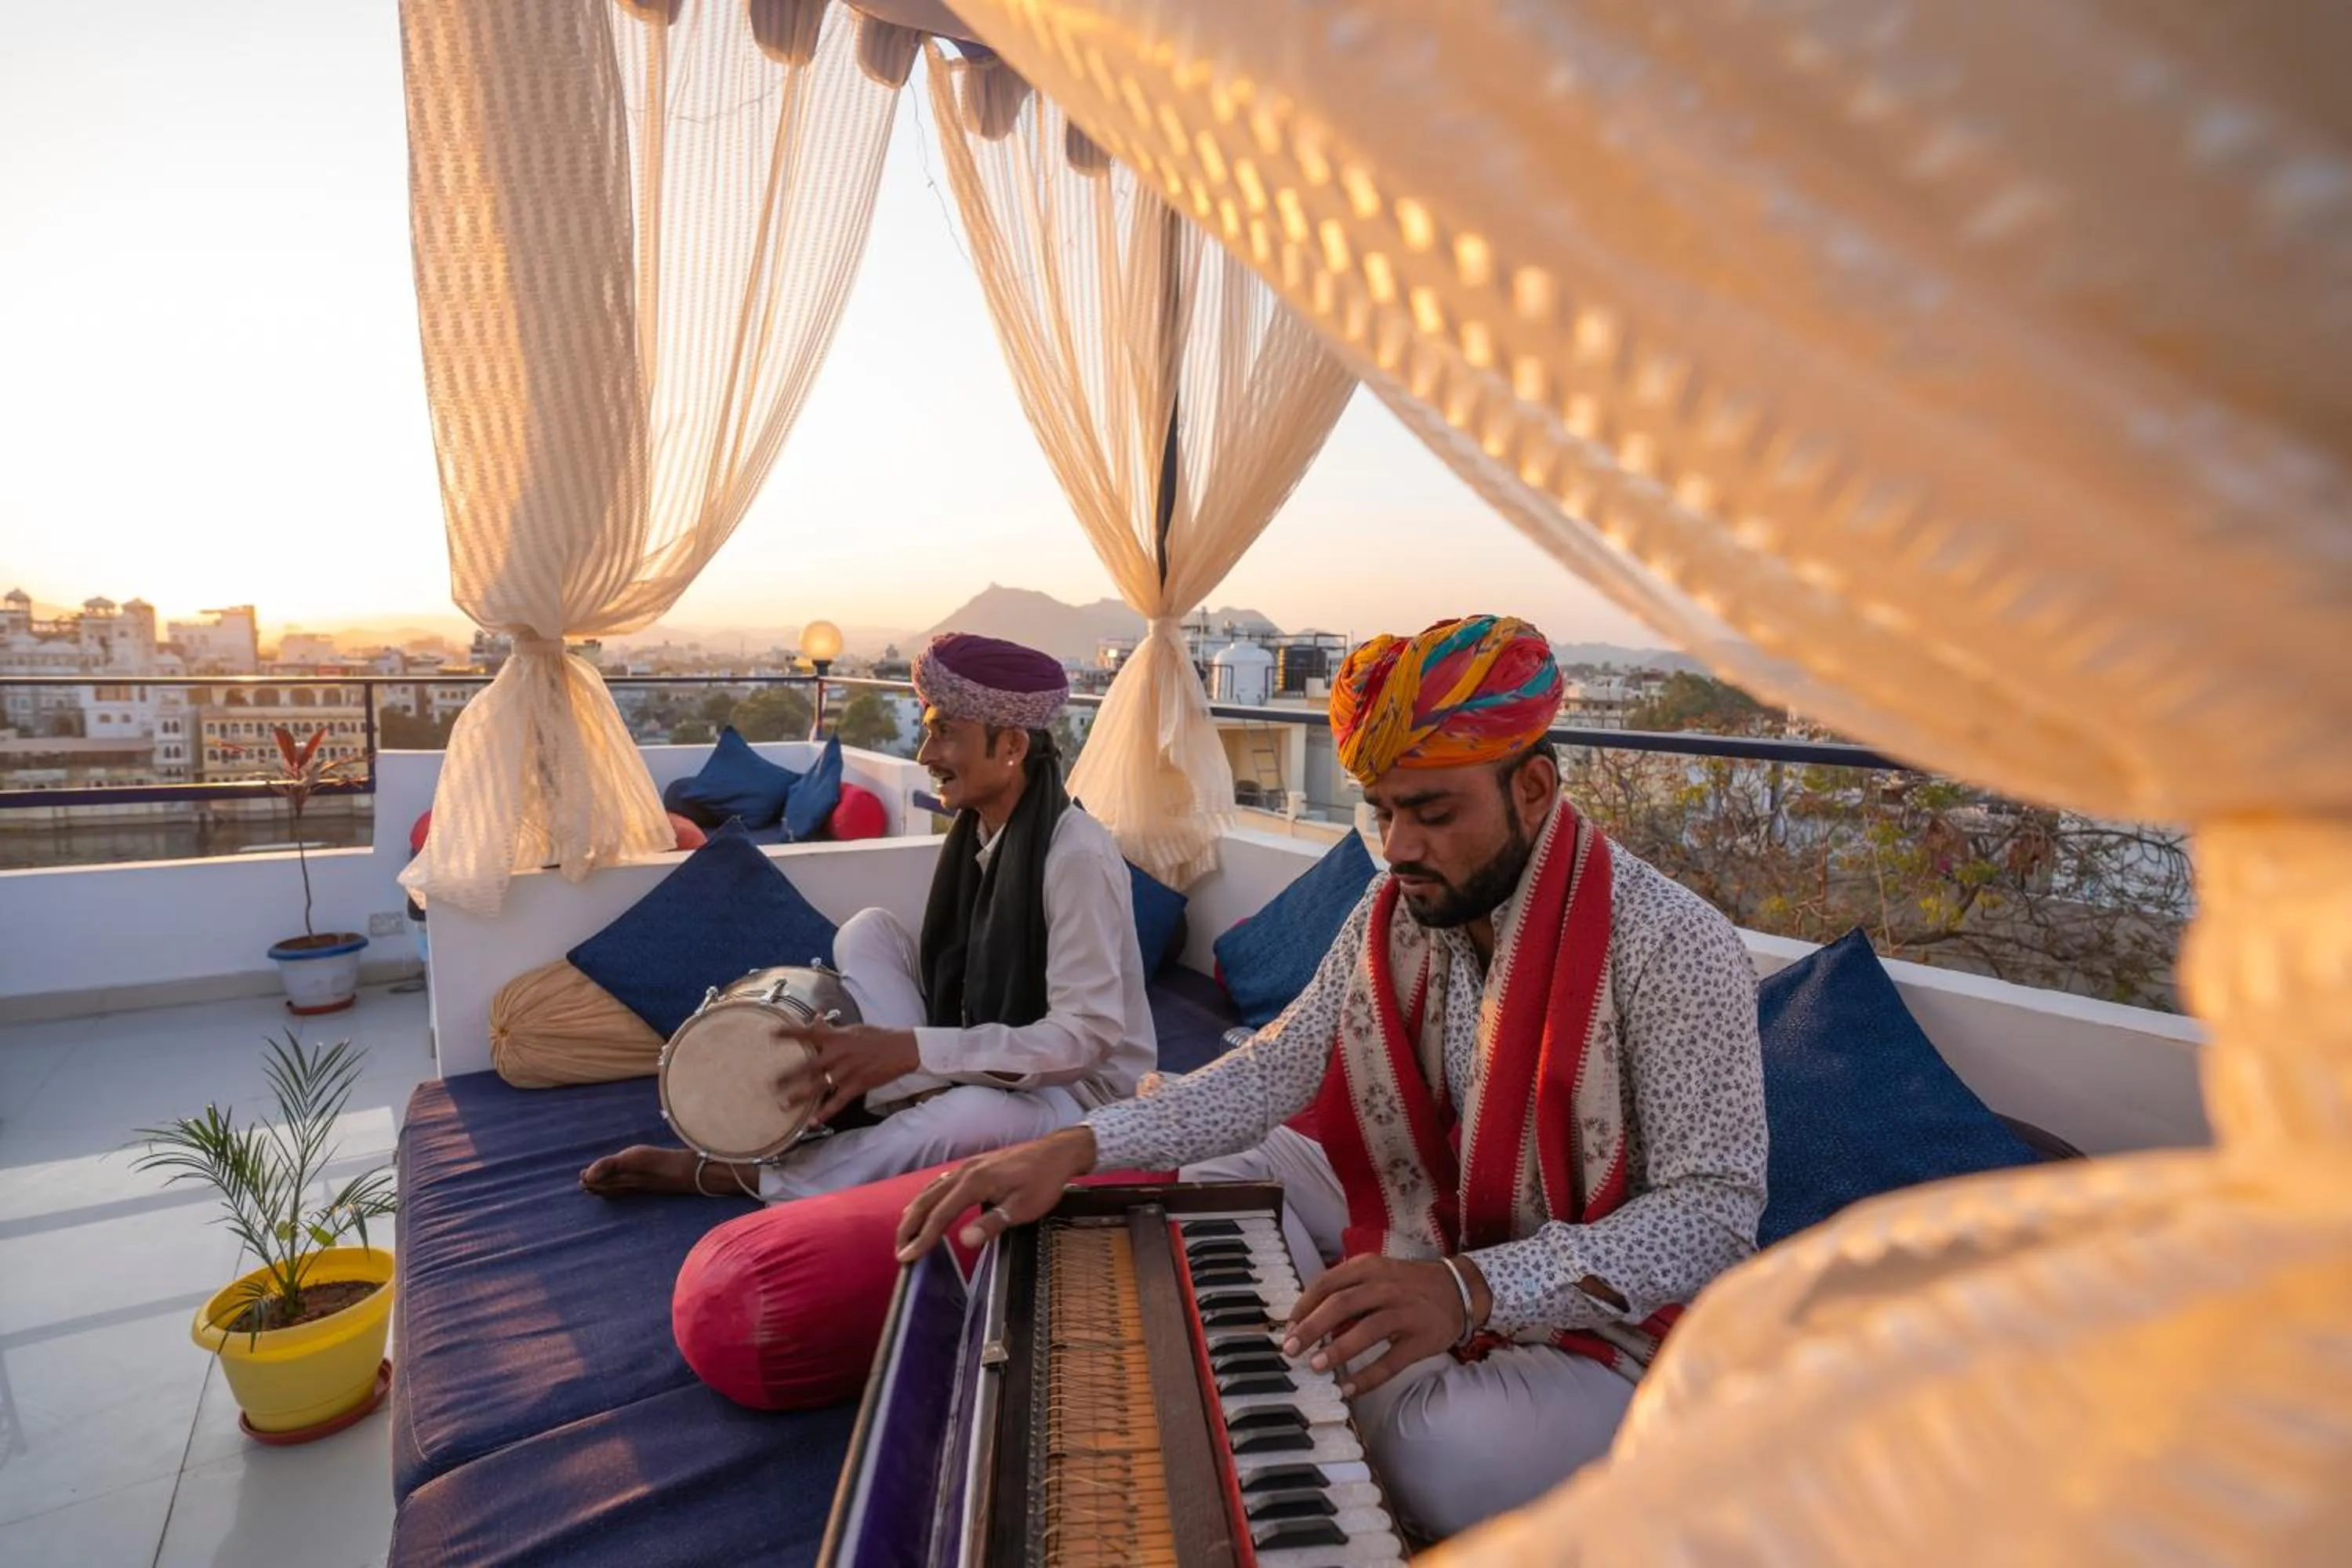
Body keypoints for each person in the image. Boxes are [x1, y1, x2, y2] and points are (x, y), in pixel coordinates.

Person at [895, 615, 1768, 1541]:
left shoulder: (1674, 944)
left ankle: (1314, 1353)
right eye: (1383, 810)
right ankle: (1301, 1336)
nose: (1398, 846)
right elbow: (1276, 1064)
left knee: (1441, 1454)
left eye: (1432, 813)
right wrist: (1077, 1144)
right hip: (1437, 1215)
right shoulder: (1396, 908)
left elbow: (1714, 1213)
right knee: (1204, 1182)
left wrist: (1471, 1287)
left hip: (1613, 1321)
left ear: (1536, 788)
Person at [583, 632, 1156, 1202]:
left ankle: (748, 1175)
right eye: (928, 731)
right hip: (990, 1045)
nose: (925, 756)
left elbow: (1084, 1039)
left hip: (1083, 1096)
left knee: (965, 1116)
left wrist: (912, 1050)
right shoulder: (984, 829)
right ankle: (888, 1091)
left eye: (944, 734)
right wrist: (910, 1050)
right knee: (870, 928)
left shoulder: (1075, 854)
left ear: (1009, 748)